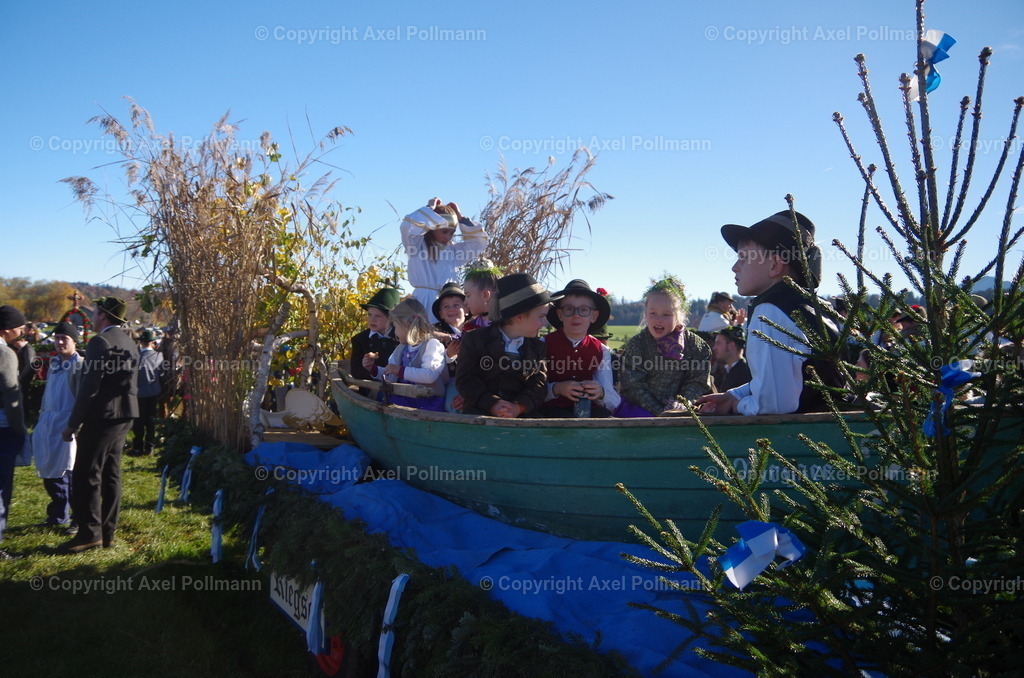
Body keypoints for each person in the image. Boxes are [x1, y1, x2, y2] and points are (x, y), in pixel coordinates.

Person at [697, 210, 845, 416]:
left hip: (800, 439)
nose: (734, 267)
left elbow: (773, 405)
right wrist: (736, 394)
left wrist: (735, 406)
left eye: (744, 257)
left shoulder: (770, 312)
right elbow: (785, 378)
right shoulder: (811, 307)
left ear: (775, 265)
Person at [58, 297, 139, 553]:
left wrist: (72, 423)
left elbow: (89, 387)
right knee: (111, 473)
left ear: (103, 315)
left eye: (94, 313)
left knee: (86, 474)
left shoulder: (99, 341)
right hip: (125, 414)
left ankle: (88, 533)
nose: (92, 317)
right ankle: (107, 532)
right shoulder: (129, 341)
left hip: (102, 416)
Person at [456, 273, 561, 417]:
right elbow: (466, 379)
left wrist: (519, 407)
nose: (544, 323)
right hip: (480, 414)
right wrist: (492, 404)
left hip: (522, 417)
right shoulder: (475, 339)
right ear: (518, 317)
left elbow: (538, 385)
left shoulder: (538, 347)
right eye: (541, 317)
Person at [615, 277, 713, 417]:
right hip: (640, 411)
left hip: (683, 412)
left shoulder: (697, 346)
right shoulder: (637, 345)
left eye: (666, 314)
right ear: (646, 313)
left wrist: (683, 404)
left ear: (679, 315)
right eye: (653, 313)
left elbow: (697, 382)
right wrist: (661, 412)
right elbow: (633, 386)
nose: (658, 319)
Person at [28, 321, 82, 529]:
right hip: (48, 422)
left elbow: (82, 398)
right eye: (57, 338)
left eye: (64, 338)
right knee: (48, 467)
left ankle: (77, 517)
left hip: (67, 424)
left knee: (69, 471)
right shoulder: (54, 364)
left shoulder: (80, 365)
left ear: (73, 341)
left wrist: (75, 425)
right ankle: (58, 514)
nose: (59, 342)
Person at [540, 279, 620, 417]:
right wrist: (557, 388)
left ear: (594, 316)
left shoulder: (601, 350)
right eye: (569, 309)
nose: (576, 315)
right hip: (550, 414)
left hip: (590, 413)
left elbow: (613, 401)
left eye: (584, 310)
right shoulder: (542, 345)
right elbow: (530, 390)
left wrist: (600, 392)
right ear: (560, 314)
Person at [401, 199, 488, 322]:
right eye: (444, 231)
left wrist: (461, 218)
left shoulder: (454, 251)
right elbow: (407, 226)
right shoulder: (416, 245)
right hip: (422, 302)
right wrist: (429, 209)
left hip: (448, 303)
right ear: (432, 227)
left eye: (452, 233)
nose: (447, 237)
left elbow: (478, 244)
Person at [363, 298, 448, 412]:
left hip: (427, 402)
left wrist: (399, 370)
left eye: (396, 327)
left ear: (406, 326)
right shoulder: (401, 348)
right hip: (404, 398)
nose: (395, 332)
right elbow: (391, 373)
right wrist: (374, 370)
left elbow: (430, 375)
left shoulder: (432, 345)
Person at [0, 305, 28, 559]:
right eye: (20, 326)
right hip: (3, 428)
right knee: (1, 487)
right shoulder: (5, 354)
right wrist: (20, 430)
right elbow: (11, 395)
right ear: (7, 328)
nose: (22, 330)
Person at [349, 287, 402, 396]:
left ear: (390, 318)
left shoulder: (400, 337)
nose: (372, 319)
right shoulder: (360, 339)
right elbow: (355, 372)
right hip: (372, 391)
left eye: (378, 316)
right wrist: (367, 367)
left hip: (399, 388)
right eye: (369, 315)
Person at [130, 329, 164, 456]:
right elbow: (161, 373)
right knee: (150, 420)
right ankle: (150, 446)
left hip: (139, 393)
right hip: (154, 391)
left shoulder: (136, 357)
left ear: (141, 342)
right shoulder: (159, 356)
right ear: (152, 342)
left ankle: (137, 446)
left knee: (138, 421)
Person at [461, 258, 502, 332]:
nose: (465, 302)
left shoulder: (506, 327)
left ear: (485, 295)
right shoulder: (468, 327)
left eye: (468, 295)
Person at [711, 326, 751, 392]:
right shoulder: (730, 370)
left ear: (731, 346)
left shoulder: (744, 373)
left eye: (718, 343)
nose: (714, 348)